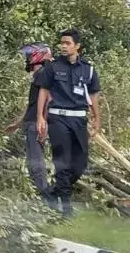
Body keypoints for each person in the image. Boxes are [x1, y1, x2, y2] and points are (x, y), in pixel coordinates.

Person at [36, 29, 102, 216]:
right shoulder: (52, 66)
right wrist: (40, 117)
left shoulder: (88, 69)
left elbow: (93, 95)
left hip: (79, 119)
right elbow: (43, 91)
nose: (63, 46)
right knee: (62, 162)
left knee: (80, 164)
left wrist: (97, 118)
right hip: (58, 118)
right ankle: (66, 208)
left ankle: (51, 192)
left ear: (77, 46)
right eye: (61, 43)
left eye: (67, 43)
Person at [5, 43, 53, 195]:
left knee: (36, 165)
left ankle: (49, 202)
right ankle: (47, 198)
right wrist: (18, 124)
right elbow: (32, 104)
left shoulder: (43, 74)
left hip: (36, 125)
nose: (27, 58)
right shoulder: (39, 75)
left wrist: (42, 122)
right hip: (32, 123)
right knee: (33, 163)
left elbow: (50, 100)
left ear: (37, 55)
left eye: (29, 55)